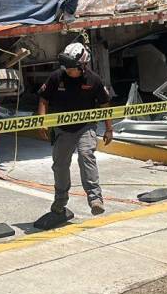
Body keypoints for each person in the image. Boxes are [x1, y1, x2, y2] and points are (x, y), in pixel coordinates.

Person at [37, 42, 114, 217]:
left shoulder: (93, 80)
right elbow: (43, 99)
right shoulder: (57, 77)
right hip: (63, 130)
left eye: (71, 67)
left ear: (82, 65)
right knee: (60, 165)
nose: (67, 70)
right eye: (65, 66)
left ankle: (95, 199)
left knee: (86, 155)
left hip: (85, 127)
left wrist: (109, 129)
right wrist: (42, 121)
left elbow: (105, 104)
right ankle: (60, 201)